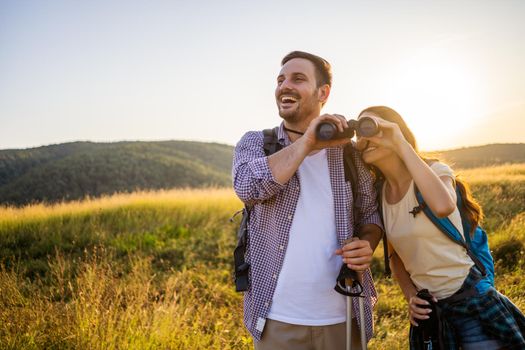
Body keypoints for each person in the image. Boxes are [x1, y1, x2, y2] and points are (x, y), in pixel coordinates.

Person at [232, 51, 383, 349]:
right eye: (280, 80)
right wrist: (308, 142)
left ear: (323, 92)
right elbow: (248, 188)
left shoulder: (350, 154)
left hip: (344, 317)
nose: (284, 86)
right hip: (276, 319)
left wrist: (368, 243)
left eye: (298, 79)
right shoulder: (256, 143)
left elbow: (370, 215)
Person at [355, 105, 525, 349]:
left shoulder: (435, 171)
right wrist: (411, 297)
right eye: (359, 132)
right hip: (431, 313)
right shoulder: (379, 194)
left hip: (469, 302)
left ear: (396, 132)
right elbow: (395, 257)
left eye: (373, 128)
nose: (365, 138)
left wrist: (401, 143)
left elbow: (443, 206)